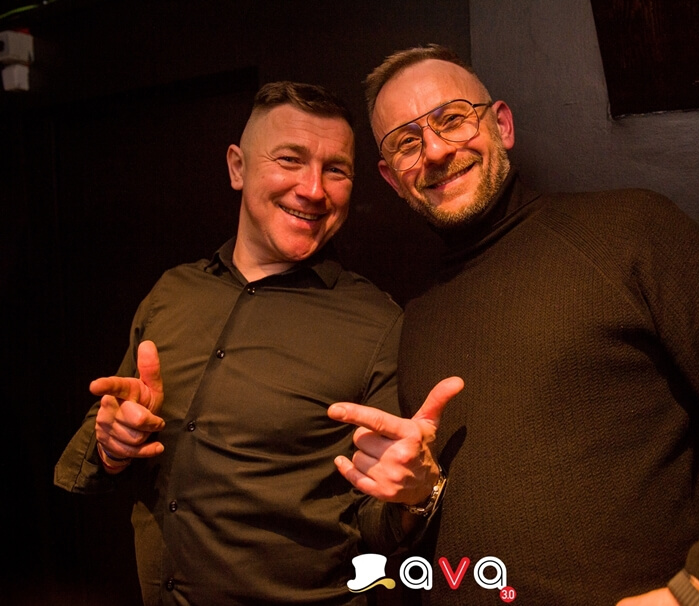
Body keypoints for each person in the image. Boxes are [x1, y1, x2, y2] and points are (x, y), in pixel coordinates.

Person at [330, 45, 699, 606]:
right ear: (391, 177)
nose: (434, 150)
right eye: (406, 142)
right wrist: (415, 498)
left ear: (501, 125)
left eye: (452, 119)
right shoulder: (417, 318)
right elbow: (385, 526)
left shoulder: (629, 230)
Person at [54, 81, 460, 606]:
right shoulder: (172, 292)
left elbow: (377, 518)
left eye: (335, 170)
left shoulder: (377, 323)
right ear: (237, 167)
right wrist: (113, 444)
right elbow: (110, 426)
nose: (313, 189)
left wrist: (415, 496)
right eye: (290, 160)